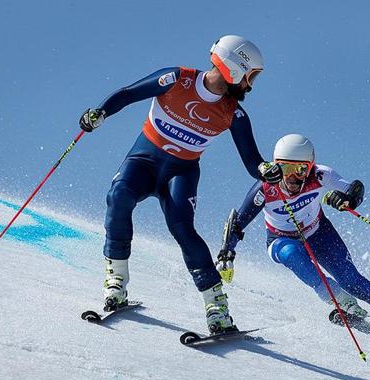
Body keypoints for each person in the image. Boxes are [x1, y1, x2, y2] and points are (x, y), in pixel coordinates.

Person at [78, 35, 283, 334]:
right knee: (118, 196)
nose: (250, 86)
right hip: (143, 162)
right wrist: (100, 112)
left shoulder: (234, 114)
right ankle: (116, 284)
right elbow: (127, 94)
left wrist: (266, 169)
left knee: (182, 228)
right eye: (250, 77)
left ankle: (217, 308)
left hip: (181, 172)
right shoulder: (176, 79)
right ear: (234, 68)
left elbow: (253, 162)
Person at [216, 133, 370, 350]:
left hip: (319, 234)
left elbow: (355, 190)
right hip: (281, 239)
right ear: (276, 166)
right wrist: (228, 252)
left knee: (352, 281)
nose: (293, 177)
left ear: (311, 167)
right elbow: (238, 222)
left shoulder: (321, 175)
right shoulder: (265, 188)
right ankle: (342, 301)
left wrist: (346, 199)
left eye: (301, 169)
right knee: (292, 255)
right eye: (285, 168)